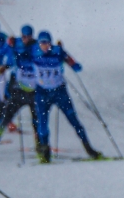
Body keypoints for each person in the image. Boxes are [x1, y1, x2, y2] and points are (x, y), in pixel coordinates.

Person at [32, 31, 101, 162]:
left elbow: (76, 66)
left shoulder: (58, 51)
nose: (44, 46)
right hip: (42, 93)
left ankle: (89, 149)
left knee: (74, 120)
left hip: (59, 92)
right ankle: (45, 152)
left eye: (46, 43)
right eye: (42, 43)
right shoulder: (33, 52)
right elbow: (17, 58)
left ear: (50, 42)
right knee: (42, 123)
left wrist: (71, 62)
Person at [0, 25, 39, 155]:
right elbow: (2, 53)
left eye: (29, 36)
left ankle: (40, 146)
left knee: (37, 120)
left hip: (33, 89)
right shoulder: (15, 42)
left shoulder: (36, 45)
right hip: (17, 86)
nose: (26, 39)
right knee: (5, 112)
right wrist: (2, 65)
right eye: (24, 36)